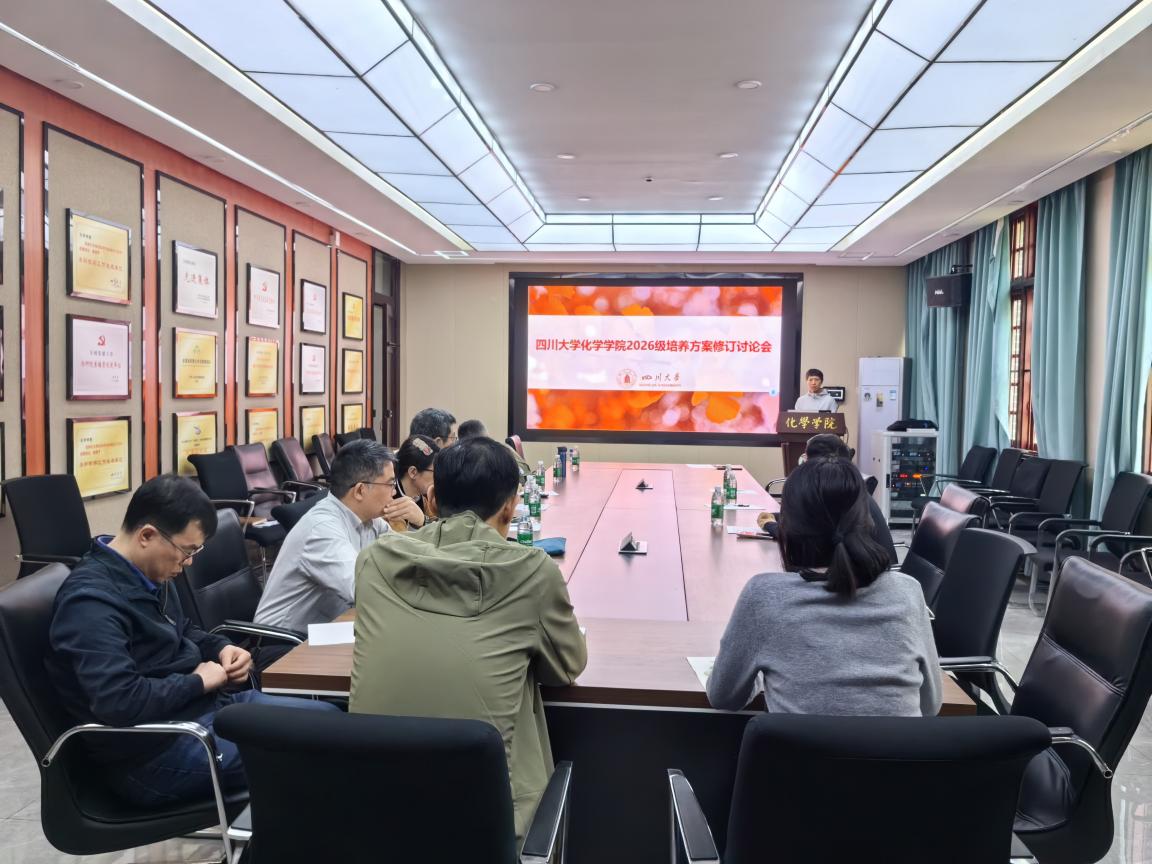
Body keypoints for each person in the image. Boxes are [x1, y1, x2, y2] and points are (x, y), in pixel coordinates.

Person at [46, 475, 337, 808]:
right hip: (154, 753)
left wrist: (222, 648)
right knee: (319, 752)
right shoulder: (90, 604)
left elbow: (182, 629)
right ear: (147, 535)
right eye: (186, 551)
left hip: (204, 712)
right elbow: (119, 701)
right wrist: (198, 682)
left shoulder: (147, 571)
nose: (189, 563)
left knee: (330, 723)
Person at [351, 436, 587, 844]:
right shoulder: (533, 571)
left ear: (431, 500)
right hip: (489, 828)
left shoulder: (374, 560)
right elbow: (566, 667)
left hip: (375, 816)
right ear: (511, 506)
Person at [708, 457, 941, 717]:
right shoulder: (908, 592)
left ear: (789, 527)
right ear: (867, 520)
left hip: (795, 745)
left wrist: (764, 676)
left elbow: (723, 697)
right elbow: (930, 706)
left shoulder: (764, 596)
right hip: (898, 745)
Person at [255, 440, 401, 632]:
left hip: (329, 627)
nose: (394, 492)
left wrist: (421, 521)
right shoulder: (322, 529)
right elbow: (364, 589)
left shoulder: (369, 519)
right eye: (390, 484)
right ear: (360, 491)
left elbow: (402, 554)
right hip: (284, 639)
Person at [758, 433, 897, 565]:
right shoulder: (848, 486)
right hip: (874, 564)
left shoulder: (827, 490)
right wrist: (776, 517)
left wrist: (769, 525)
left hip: (862, 570)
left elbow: (802, 537)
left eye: (806, 457)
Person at [391, 434, 440, 529]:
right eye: (436, 471)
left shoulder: (423, 499)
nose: (439, 477)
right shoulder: (392, 503)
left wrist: (424, 521)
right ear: (413, 472)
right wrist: (424, 522)